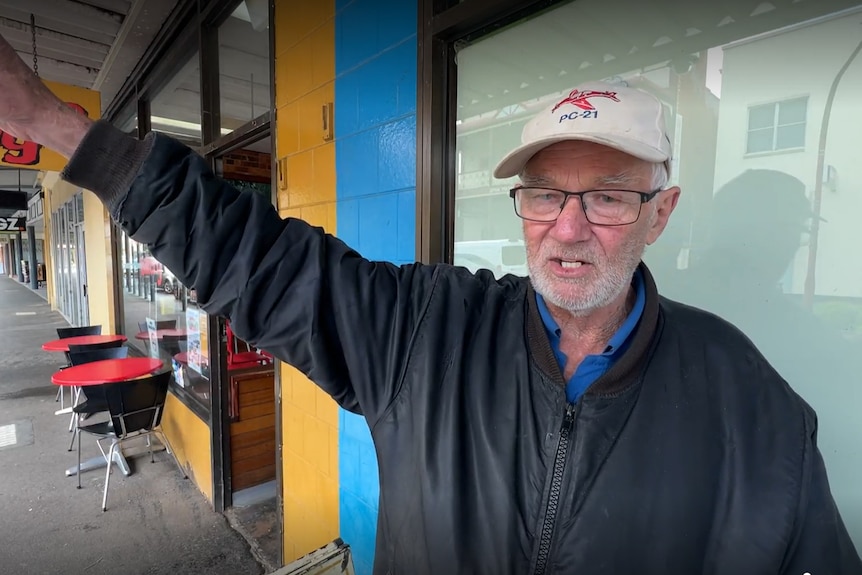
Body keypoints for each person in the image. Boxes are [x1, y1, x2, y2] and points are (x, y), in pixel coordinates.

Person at [1, 34, 859, 574]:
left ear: (659, 213)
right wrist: (56, 122)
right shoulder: (427, 329)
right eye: (542, 194)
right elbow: (250, 255)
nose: (567, 229)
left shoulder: (752, 404)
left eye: (606, 196)